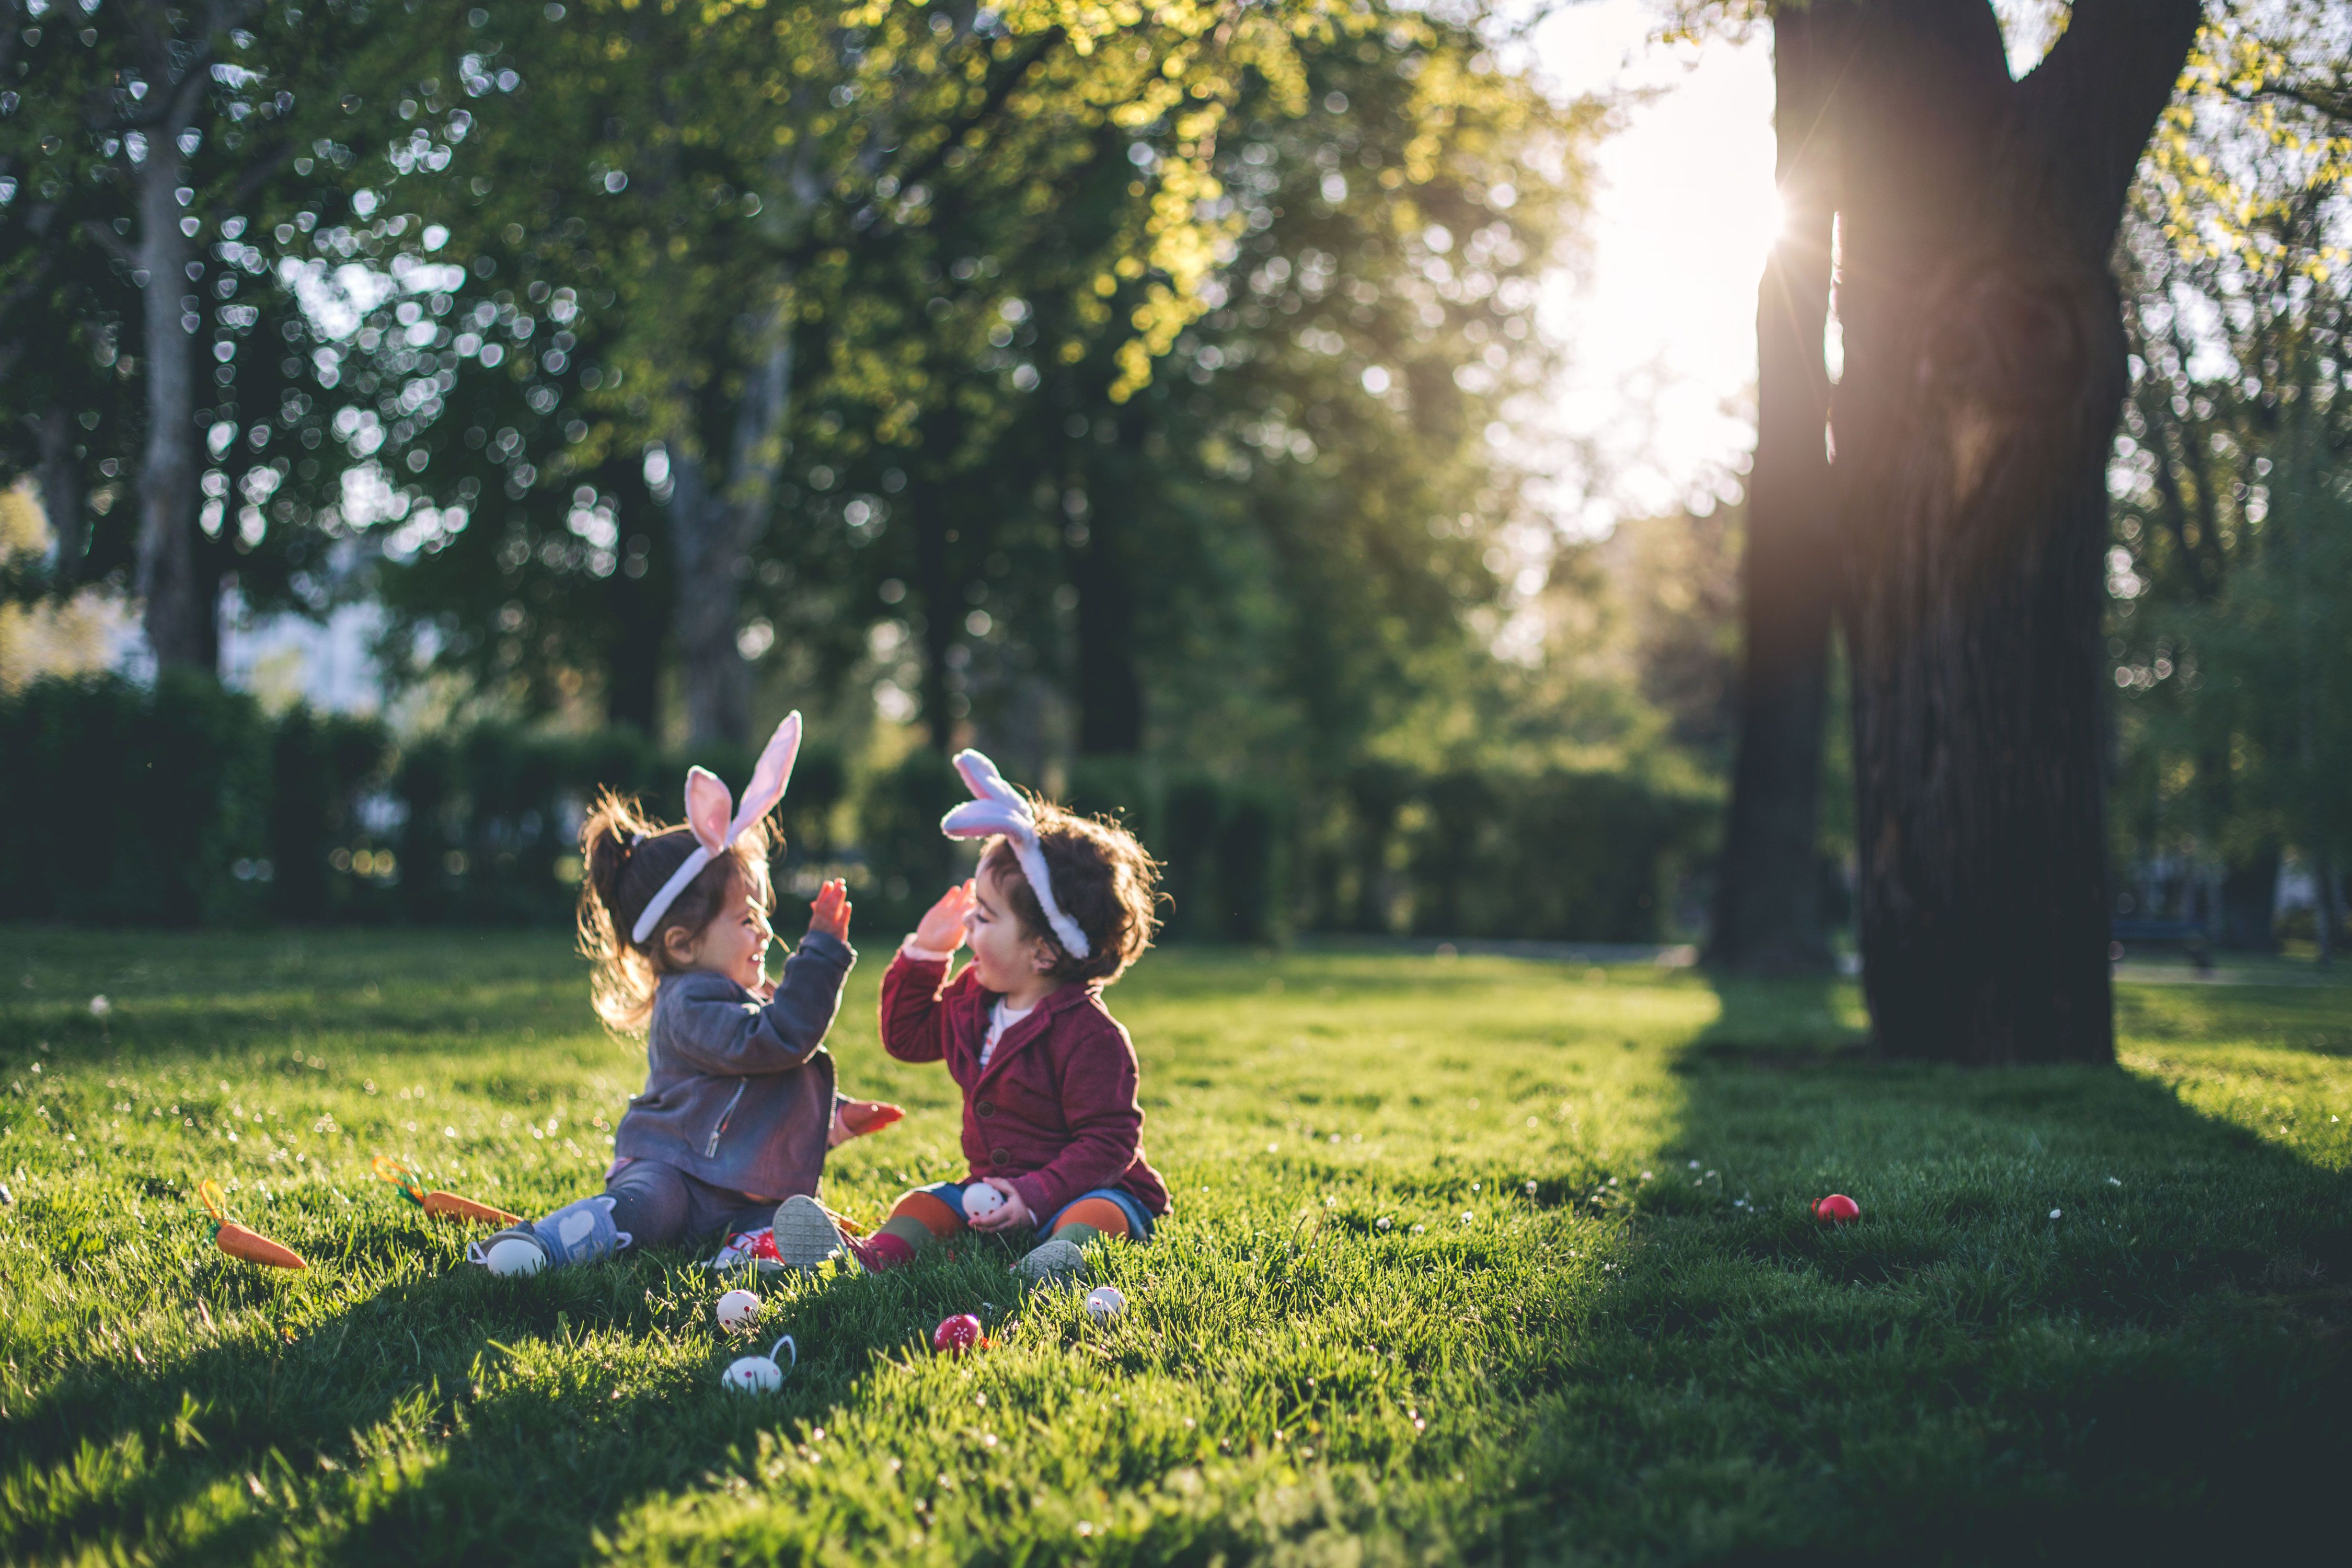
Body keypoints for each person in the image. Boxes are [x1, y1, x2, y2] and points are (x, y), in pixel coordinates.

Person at [471, 714, 896, 1275]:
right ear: (683, 943)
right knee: (647, 1210)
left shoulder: (734, 996)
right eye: (747, 917)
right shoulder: (690, 1005)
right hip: (672, 1169)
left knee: (776, 1217)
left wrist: (835, 1120)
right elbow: (776, 1044)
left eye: (764, 914)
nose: (766, 930)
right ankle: (542, 1247)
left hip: (735, 1186)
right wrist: (819, 956)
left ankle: (748, 1253)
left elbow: (759, 1089)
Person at [772, 750, 1166, 1284]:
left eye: (984, 916)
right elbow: (907, 1038)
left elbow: (1110, 1143)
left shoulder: (1092, 1036)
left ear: (1044, 952)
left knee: (1098, 1215)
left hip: (1085, 1187)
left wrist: (1034, 1196)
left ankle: (1056, 1262)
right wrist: (925, 957)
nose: (969, 928)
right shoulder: (974, 998)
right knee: (925, 1203)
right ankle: (868, 1256)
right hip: (990, 1189)